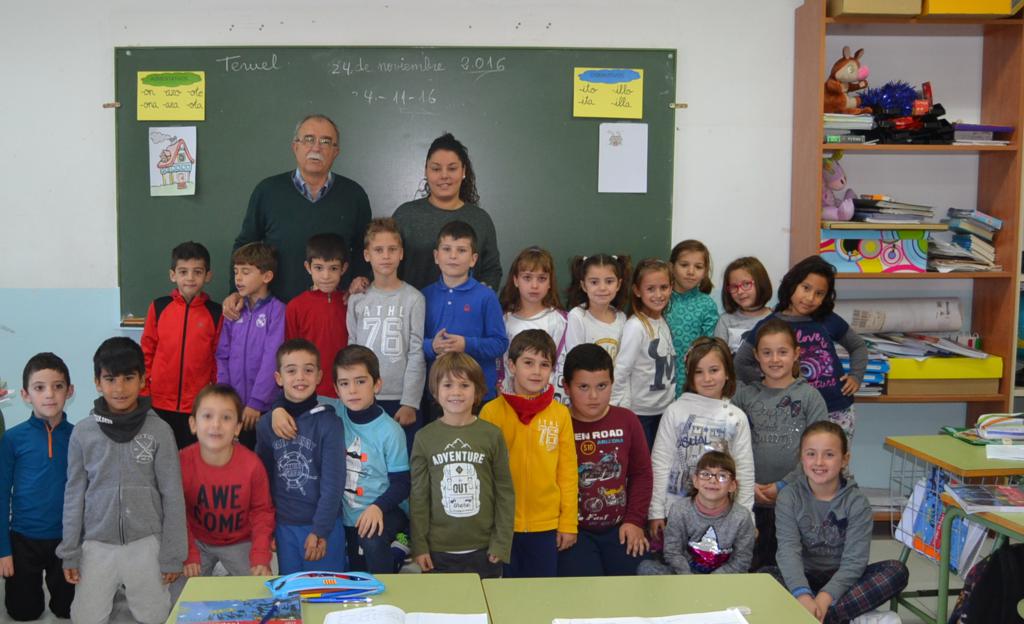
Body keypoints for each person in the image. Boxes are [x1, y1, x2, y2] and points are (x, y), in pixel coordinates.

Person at [57, 337, 186, 624]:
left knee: (155, 616)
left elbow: (173, 495)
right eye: (110, 379)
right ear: (97, 382)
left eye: (128, 378)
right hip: (96, 543)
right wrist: (70, 551)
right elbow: (74, 494)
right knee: (85, 618)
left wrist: (172, 554)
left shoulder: (160, 431)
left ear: (142, 380)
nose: (119, 388)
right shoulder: (83, 433)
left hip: (146, 542)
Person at [763, 421, 908, 624]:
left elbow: (855, 562)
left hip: (844, 581)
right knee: (763, 577)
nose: (819, 462)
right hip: (804, 576)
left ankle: (814, 616)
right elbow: (788, 551)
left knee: (896, 571)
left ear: (844, 459)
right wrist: (802, 594)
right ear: (801, 459)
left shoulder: (857, 502)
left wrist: (825, 597)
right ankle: (846, 616)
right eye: (811, 454)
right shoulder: (789, 496)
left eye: (829, 454)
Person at [228, 113, 371, 309]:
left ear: (336, 151)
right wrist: (236, 291)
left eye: (326, 141)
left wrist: (360, 278)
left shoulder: (354, 195)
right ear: (295, 146)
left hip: (335, 310)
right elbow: (246, 244)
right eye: (309, 139)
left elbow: (365, 249)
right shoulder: (267, 191)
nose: (316, 147)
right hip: (276, 310)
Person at [735, 255, 868, 440]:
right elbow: (741, 362)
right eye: (806, 288)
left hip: (836, 409)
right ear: (792, 284)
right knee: (800, 466)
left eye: (819, 293)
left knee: (833, 467)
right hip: (793, 413)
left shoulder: (827, 320)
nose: (810, 298)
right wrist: (769, 384)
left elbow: (858, 346)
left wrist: (856, 376)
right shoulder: (771, 325)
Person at [731, 319, 828, 569]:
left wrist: (784, 484)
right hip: (749, 498)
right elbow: (727, 445)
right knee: (750, 564)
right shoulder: (743, 395)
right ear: (756, 356)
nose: (775, 359)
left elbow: (820, 452)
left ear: (796, 354)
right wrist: (744, 483)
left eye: (782, 352)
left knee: (788, 564)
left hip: (797, 499)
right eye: (767, 353)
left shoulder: (809, 397)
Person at [480, 330, 578, 578]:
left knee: (541, 596)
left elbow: (567, 473)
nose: (536, 371)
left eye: (544, 364)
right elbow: (483, 475)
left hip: (546, 526)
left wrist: (568, 523)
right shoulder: (491, 412)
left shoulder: (560, 414)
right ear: (511, 365)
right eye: (528, 363)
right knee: (505, 597)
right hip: (502, 526)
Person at [410, 353, 514, 578]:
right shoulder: (424, 438)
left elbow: (504, 492)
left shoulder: (492, 435)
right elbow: (419, 497)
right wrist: (419, 546)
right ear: (436, 391)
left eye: (464, 385)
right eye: (448, 385)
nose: (456, 392)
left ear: (477, 392)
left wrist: (501, 542)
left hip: (485, 550)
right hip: (438, 551)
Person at [648, 337, 754, 546]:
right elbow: (660, 463)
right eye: (699, 372)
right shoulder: (675, 411)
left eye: (714, 370)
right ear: (689, 375)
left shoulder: (736, 417)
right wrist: (656, 512)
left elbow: (744, 470)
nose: (707, 378)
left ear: (727, 373)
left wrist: (747, 518)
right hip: (675, 513)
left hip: (722, 515)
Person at [557, 344, 652, 577]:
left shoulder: (627, 420)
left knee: (639, 578)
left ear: (612, 383)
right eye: (583, 387)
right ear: (566, 387)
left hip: (619, 527)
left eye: (602, 386)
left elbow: (642, 474)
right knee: (585, 591)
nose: (593, 396)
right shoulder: (557, 422)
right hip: (573, 531)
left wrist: (634, 520)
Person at [175, 384, 274, 602]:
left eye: (226, 418)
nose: (216, 425)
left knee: (262, 593)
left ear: (238, 427)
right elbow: (176, 513)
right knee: (177, 599)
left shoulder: (252, 465)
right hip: (197, 541)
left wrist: (260, 555)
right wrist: (189, 552)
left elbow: (262, 512)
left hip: (240, 541)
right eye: (208, 416)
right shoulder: (181, 462)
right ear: (193, 424)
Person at [255, 339, 347, 574]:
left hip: (323, 527)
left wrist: (321, 529)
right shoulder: (267, 424)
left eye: (308, 370)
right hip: (284, 526)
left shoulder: (330, 423)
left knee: (326, 595)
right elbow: (262, 480)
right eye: (291, 370)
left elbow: (333, 484)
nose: (300, 377)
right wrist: (270, 529)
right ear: (278, 378)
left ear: (319, 376)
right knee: (292, 597)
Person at [0, 353, 76, 620]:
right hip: (23, 539)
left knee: (69, 611)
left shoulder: (80, 437)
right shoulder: (11, 439)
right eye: (39, 387)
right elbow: (1, 496)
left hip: (67, 540)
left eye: (58, 386)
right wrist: (3, 551)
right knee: (23, 613)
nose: (49, 395)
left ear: (70, 390)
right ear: (24, 394)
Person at [347, 218, 426, 453]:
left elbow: (416, 351)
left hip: (401, 399)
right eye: (378, 250)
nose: (386, 256)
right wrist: (354, 390)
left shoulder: (414, 299)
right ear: (366, 255)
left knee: (402, 463)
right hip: (365, 396)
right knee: (368, 461)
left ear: (401, 253)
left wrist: (410, 401)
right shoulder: (357, 298)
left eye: (392, 249)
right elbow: (352, 348)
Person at [332, 346, 411, 574]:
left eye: (361, 381)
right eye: (345, 383)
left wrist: (378, 507)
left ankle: (400, 547)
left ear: (377, 384)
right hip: (347, 516)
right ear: (336, 389)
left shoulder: (390, 430)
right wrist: (278, 409)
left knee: (372, 545)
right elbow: (298, 399)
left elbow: (402, 484)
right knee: (356, 571)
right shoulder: (334, 412)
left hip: (385, 509)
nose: (353, 390)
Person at [392, 132, 501, 291]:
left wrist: (480, 298)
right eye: (436, 169)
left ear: (464, 171)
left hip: (465, 314)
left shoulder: (481, 220)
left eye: (452, 168)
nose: (444, 176)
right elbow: (386, 264)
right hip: (412, 313)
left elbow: (492, 271)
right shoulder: (405, 215)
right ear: (426, 171)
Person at [141, 241, 222, 449]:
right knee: (159, 458)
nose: (190, 278)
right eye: (183, 271)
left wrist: (214, 395)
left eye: (197, 272)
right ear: (173, 275)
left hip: (195, 404)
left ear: (208, 276)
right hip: (159, 402)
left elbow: (217, 357)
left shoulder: (215, 313)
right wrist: (144, 392)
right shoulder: (159, 307)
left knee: (189, 460)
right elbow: (146, 352)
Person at [422, 221, 507, 412]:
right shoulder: (423, 296)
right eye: (447, 249)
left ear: (473, 259)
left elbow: (500, 343)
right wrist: (431, 346)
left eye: (461, 250)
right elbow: (412, 344)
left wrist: (466, 345)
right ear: (436, 256)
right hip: (438, 394)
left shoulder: (486, 296)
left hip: (478, 395)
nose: (453, 256)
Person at [638, 451, 754, 576]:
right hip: (686, 574)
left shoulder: (742, 517)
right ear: (695, 480)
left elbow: (742, 560)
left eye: (722, 476)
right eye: (705, 474)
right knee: (646, 568)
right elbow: (673, 551)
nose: (713, 481)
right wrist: (690, 579)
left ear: (732, 485)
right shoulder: (680, 509)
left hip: (724, 579)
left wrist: (712, 582)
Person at [216, 242, 286, 449]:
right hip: (234, 406)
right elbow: (222, 354)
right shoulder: (233, 310)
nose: (238, 278)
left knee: (264, 464)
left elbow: (272, 358)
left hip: (264, 407)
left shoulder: (278, 311)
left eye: (245, 272)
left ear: (266, 277)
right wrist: (226, 396)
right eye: (236, 271)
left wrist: (256, 402)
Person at [610, 258, 677, 450]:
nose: (658, 294)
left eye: (663, 287)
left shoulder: (662, 322)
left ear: (671, 288)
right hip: (642, 414)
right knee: (643, 468)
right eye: (651, 289)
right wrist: (614, 411)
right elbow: (622, 370)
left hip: (664, 411)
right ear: (638, 291)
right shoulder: (635, 326)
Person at [284, 232, 350, 408]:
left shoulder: (351, 302)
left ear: (344, 268)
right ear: (308, 267)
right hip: (309, 392)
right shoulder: (295, 306)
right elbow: (291, 354)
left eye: (333, 268)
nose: (326, 276)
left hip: (347, 391)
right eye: (319, 268)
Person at [497, 247, 567, 401]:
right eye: (527, 278)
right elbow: (502, 364)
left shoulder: (559, 320)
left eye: (541, 279)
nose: (534, 286)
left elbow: (558, 367)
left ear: (550, 282)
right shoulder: (503, 320)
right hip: (510, 401)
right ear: (516, 280)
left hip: (547, 402)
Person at [664, 240, 719, 397]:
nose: (691, 271)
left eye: (698, 267)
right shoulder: (660, 298)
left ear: (705, 271)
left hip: (692, 383)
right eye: (684, 265)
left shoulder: (707, 304)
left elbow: (708, 346)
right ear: (671, 267)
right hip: (657, 381)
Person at [563, 253, 630, 360]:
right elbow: (574, 359)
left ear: (618, 284)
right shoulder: (577, 316)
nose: (602, 288)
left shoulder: (621, 318)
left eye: (609, 281)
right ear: (584, 286)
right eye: (594, 282)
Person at [713, 256, 773, 353]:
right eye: (734, 287)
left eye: (746, 284)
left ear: (760, 283)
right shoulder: (725, 320)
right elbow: (718, 356)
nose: (740, 291)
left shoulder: (775, 318)